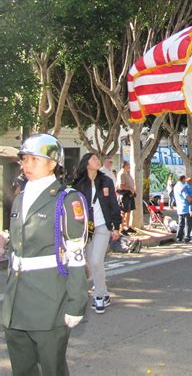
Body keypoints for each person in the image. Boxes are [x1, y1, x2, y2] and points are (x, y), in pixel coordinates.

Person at [1, 133, 88, 375]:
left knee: (52, 369)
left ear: (53, 164)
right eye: (24, 159)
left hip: (49, 300)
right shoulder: (19, 198)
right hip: (16, 301)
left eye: (33, 159)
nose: (26, 165)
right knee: (22, 369)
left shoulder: (66, 201)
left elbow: (76, 256)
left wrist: (76, 303)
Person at [72, 153, 122, 314]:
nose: (97, 160)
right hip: (86, 228)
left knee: (96, 261)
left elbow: (113, 204)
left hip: (103, 226)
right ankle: (105, 292)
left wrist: (116, 226)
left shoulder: (105, 180)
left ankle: (99, 295)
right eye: (93, 159)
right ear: (86, 164)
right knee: (90, 263)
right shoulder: (79, 184)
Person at [174, 175, 192, 242]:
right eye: (185, 178)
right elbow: (186, 197)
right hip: (186, 207)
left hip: (180, 208)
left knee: (181, 224)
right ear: (183, 179)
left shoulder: (176, 186)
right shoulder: (182, 187)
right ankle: (187, 237)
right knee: (188, 223)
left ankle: (179, 237)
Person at [117, 161, 136, 234]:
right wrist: (130, 189)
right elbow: (121, 186)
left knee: (129, 211)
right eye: (128, 164)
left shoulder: (128, 173)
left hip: (130, 195)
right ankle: (122, 229)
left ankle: (127, 227)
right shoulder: (121, 174)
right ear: (124, 165)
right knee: (123, 212)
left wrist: (133, 190)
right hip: (124, 195)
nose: (129, 166)